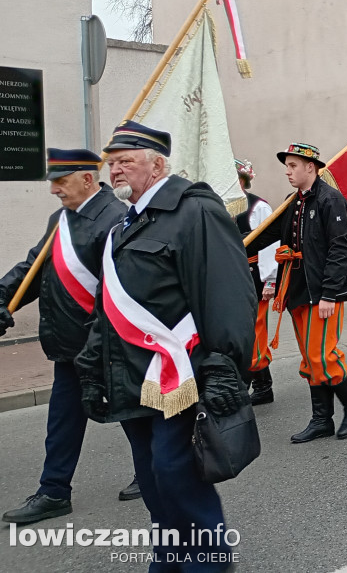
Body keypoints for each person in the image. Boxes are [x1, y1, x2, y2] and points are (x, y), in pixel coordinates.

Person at [76, 122, 256, 569]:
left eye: (126, 161)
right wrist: (92, 367)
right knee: (156, 485)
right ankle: (170, 563)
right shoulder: (124, 225)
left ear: (157, 163)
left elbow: (228, 294)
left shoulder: (195, 211)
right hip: (133, 380)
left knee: (178, 479)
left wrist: (224, 366)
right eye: (111, 163)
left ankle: (210, 565)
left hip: (181, 376)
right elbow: (111, 304)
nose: (115, 171)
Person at [0, 149, 138, 525]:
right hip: (69, 346)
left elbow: (116, 290)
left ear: (88, 179)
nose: (54, 190)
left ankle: (153, 470)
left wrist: (98, 344)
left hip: (107, 345)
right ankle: (54, 491)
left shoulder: (116, 219)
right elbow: (34, 267)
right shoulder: (61, 219)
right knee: (62, 421)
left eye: (61, 181)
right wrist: (3, 297)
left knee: (133, 413)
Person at [263, 142, 347, 443]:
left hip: (321, 293)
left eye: (293, 165)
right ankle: (322, 419)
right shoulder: (290, 201)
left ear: (312, 166)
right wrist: (232, 242)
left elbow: (340, 250)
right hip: (295, 290)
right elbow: (268, 233)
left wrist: (330, 294)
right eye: (287, 166)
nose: (288, 171)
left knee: (323, 355)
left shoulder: (331, 200)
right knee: (311, 359)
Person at [234, 158, 277, 405]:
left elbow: (271, 246)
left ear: (242, 180)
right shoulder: (219, 205)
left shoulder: (258, 207)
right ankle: (251, 380)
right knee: (239, 331)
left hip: (254, 274)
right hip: (232, 276)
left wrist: (270, 280)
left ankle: (262, 384)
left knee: (256, 329)